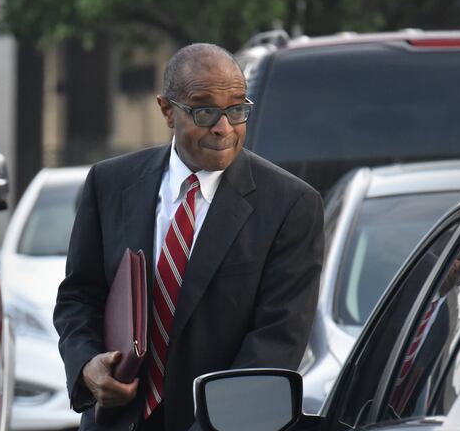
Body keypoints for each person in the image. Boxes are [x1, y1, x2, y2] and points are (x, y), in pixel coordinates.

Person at [54, 43, 324, 431]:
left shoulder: (291, 205)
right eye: (204, 110)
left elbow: (277, 342)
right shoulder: (110, 183)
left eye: (236, 109)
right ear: (167, 110)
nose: (223, 127)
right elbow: (79, 295)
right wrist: (86, 366)